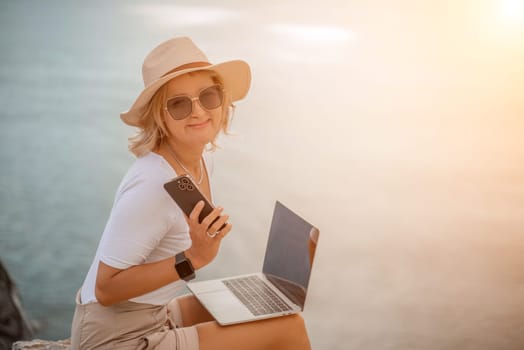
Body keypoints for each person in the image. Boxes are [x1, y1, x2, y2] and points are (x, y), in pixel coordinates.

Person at [70, 37, 312, 350]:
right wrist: (193, 258)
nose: (198, 111)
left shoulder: (200, 161)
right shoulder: (151, 185)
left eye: (208, 96)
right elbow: (105, 288)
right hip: (113, 337)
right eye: (180, 103)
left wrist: (197, 253)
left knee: (260, 304)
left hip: (151, 314)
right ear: (161, 115)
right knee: (288, 328)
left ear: (223, 102)